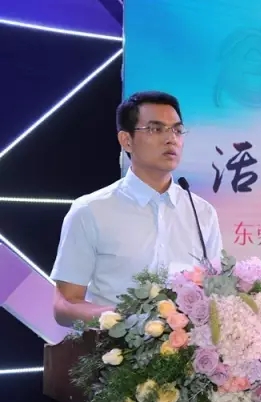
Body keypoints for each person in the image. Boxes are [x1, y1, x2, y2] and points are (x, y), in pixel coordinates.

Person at [51, 91, 222, 327]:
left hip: (186, 348)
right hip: (113, 347)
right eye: (155, 129)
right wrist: (124, 320)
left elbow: (215, 293)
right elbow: (65, 305)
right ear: (126, 140)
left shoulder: (202, 213)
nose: (171, 139)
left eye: (177, 130)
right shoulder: (91, 210)